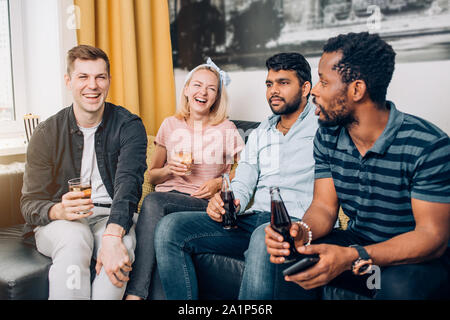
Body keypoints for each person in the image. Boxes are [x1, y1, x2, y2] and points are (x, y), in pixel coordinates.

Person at [241, 32, 450, 300]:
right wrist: (301, 232)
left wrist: (353, 255)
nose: (314, 90)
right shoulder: (328, 135)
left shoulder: (427, 145)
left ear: (357, 90)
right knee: (272, 243)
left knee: (399, 288)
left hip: (413, 258)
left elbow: (431, 238)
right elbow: (324, 208)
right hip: (357, 242)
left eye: (324, 82)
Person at [154, 52, 319, 299]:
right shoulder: (263, 131)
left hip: (291, 223)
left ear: (305, 88)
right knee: (170, 228)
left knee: (263, 236)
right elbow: (243, 178)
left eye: (283, 83)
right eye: (269, 84)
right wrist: (227, 199)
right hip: (251, 220)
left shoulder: (322, 126)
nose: (274, 90)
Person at [20, 45, 148, 300]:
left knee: (123, 246)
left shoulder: (129, 126)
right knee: (75, 238)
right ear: (68, 81)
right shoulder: (46, 133)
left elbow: (128, 186)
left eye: (100, 77)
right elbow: (29, 202)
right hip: (61, 222)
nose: (93, 85)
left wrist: (113, 236)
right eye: (83, 77)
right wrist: (58, 210)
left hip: (111, 215)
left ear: (109, 81)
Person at [125, 59, 245, 300]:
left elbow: (246, 168)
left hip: (200, 202)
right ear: (187, 89)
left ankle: (134, 295)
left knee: (154, 203)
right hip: (168, 200)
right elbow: (152, 173)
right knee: (161, 228)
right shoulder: (171, 125)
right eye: (198, 85)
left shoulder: (226, 128)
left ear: (217, 96)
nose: (203, 92)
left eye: (211, 88)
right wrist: (170, 170)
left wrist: (220, 183)